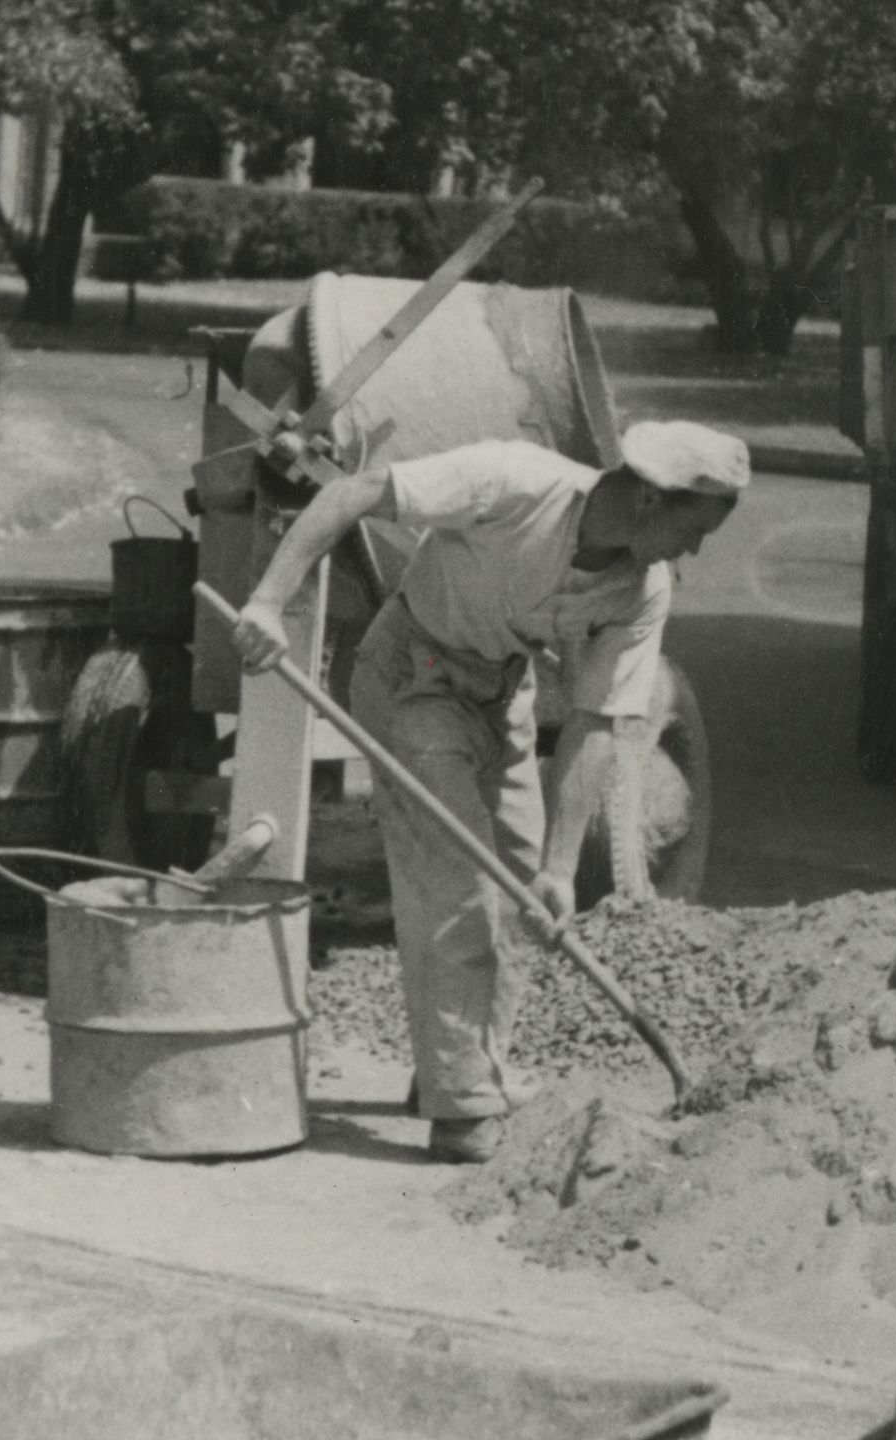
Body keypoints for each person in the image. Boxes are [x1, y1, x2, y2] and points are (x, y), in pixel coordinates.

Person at [230, 420, 748, 1163]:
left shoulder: (642, 591)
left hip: (503, 695)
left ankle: (461, 1068)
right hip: (412, 676)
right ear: (647, 503)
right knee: (461, 884)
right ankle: (463, 1109)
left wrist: (561, 870)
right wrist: (267, 602)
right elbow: (351, 493)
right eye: (693, 530)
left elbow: (596, 724)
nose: (692, 550)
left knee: (521, 895)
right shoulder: (514, 481)